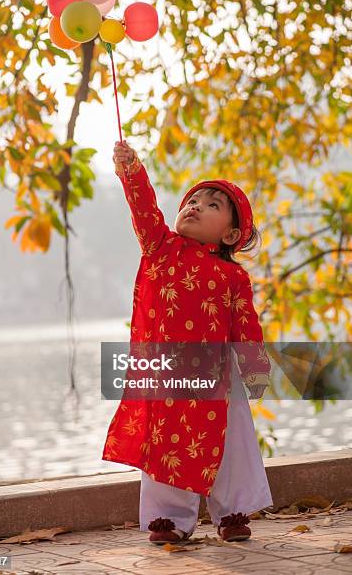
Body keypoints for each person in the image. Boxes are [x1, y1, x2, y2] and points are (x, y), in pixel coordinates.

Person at [102, 140, 273, 544]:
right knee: (166, 445)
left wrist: (255, 370)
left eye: (212, 204)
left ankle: (233, 510)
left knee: (231, 443)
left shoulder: (233, 277)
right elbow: (144, 209)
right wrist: (131, 172)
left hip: (219, 378)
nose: (195, 205)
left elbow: (246, 327)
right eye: (192, 199)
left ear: (231, 233)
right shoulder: (161, 249)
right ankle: (169, 519)